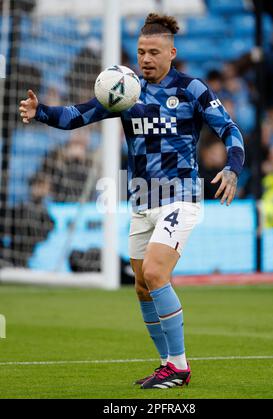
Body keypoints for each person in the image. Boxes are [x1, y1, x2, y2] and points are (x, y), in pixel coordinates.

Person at [19, 13, 244, 389]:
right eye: (141, 52)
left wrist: (233, 167)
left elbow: (230, 129)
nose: (146, 59)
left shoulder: (192, 89)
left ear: (171, 53)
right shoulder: (126, 91)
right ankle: (165, 365)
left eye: (154, 52)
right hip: (142, 200)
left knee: (156, 274)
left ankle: (179, 367)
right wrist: (40, 111)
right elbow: (77, 115)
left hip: (181, 197)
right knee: (142, 287)